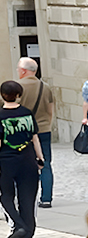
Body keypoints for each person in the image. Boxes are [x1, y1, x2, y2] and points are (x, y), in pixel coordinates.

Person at [0, 80, 45, 238]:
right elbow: (35, 138)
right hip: (27, 160)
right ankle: (28, 231)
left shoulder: (0, 116)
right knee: (28, 196)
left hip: (5, 161)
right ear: (18, 95)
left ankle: (19, 225)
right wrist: (40, 158)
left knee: (6, 195)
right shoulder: (27, 113)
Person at [16, 57, 54, 209]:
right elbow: (50, 110)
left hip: (22, 131)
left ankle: (25, 197)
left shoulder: (16, 87)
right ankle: (46, 198)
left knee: (22, 165)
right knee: (45, 164)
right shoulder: (46, 87)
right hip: (43, 129)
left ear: (23, 70)